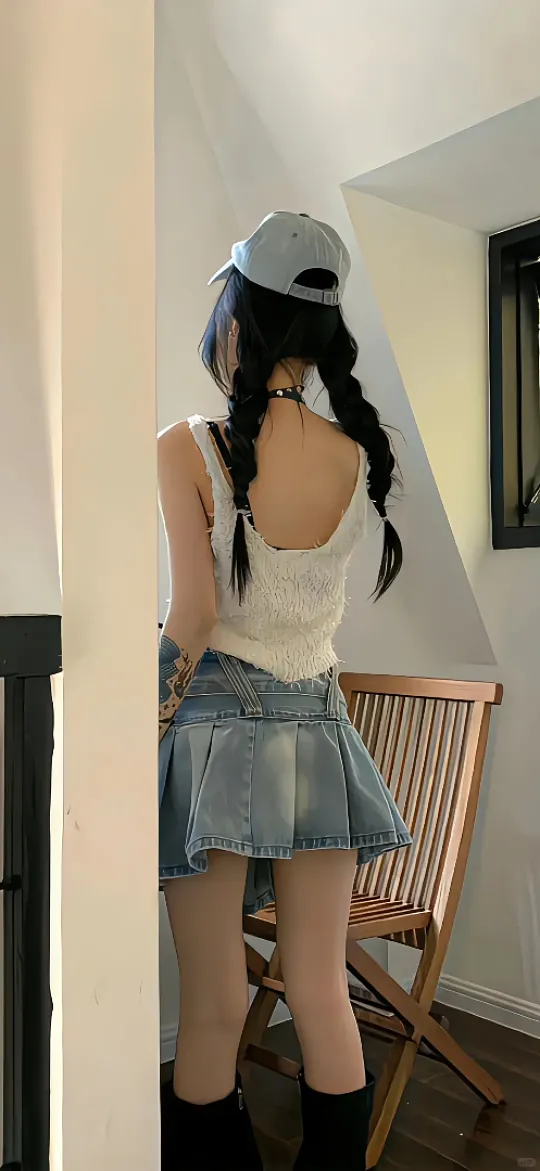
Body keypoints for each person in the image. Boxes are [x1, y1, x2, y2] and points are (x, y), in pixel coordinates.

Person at [158, 211, 411, 1171]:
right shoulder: (355, 455)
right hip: (321, 735)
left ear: (238, 315)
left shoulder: (188, 445)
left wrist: (137, 729)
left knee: (215, 1001)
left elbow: (192, 620)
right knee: (319, 985)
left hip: (216, 739)